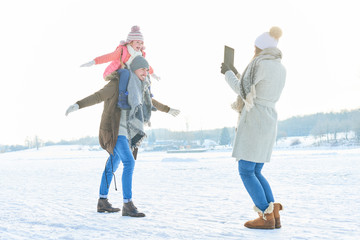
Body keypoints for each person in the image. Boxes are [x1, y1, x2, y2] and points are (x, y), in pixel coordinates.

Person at [66, 56, 157, 217]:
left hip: (127, 133)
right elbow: (98, 96)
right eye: (142, 69)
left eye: (147, 69)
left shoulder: (139, 87)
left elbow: (152, 102)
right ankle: (127, 204)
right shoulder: (117, 84)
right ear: (134, 68)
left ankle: (102, 202)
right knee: (129, 162)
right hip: (115, 132)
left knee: (112, 165)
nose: (145, 72)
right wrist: (78, 104)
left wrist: (169, 109)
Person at [221, 26, 286, 229]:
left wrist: (228, 73)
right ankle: (273, 214)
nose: (254, 51)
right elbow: (254, 86)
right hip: (268, 118)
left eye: (255, 47)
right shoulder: (278, 66)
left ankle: (266, 217)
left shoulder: (259, 63)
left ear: (260, 48)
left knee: (246, 170)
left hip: (255, 118)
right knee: (256, 170)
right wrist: (237, 73)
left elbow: (243, 90)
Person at [80, 25, 162, 110]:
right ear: (131, 42)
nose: (140, 45)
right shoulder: (123, 50)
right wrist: (94, 62)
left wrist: (153, 74)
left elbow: (146, 66)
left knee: (145, 74)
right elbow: (109, 56)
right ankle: (122, 99)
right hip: (115, 72)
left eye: (141, 43)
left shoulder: (140, 54)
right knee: (125, 72)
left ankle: (148, 100)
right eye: (137, 42)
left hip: (130, 74)